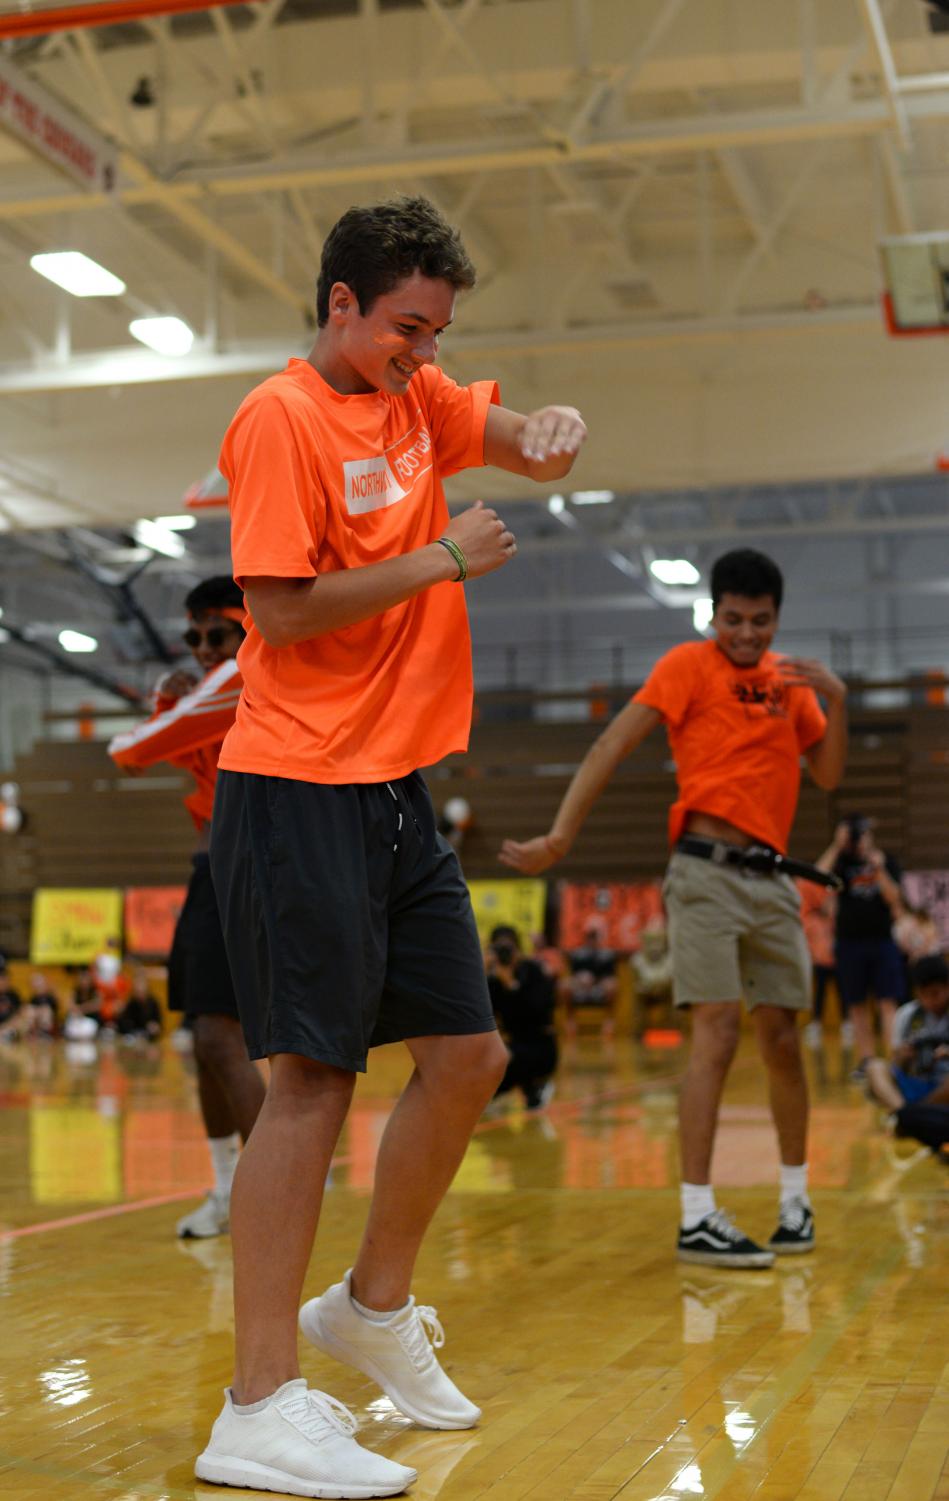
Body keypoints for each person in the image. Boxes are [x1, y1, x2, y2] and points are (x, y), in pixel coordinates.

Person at [197, 194, 586, 1498]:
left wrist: (546, 430)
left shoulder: (414, 394)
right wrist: (440, 561)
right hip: (298, 783)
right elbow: (283, 613)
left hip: (398, 789)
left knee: (470, 1056)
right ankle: (256, 1403)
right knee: (309, 1083)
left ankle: (370, 1305)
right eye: (407, 327)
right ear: (341, 306)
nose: (425, 353)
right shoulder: (279, 419)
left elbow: (512, 439)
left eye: (441, 332)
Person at [500, 548, 847, 1268]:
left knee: (781, 1037)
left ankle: (794, 1200)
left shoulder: (793, 684)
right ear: (712, 613)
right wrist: (560, 835)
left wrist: (837, 701)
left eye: (759, 621)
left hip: (774, 879)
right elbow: (610, 742)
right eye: (732, 619)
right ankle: (696, 1212)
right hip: (704, 872)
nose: (745, 633)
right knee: (716, 1030)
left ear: (776, 618)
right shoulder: (686, 665)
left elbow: (829, 773)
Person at [108, 575, 266, 1239]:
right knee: (205, 1041)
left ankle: (270, 1192)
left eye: (217, 635)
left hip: (249, 871)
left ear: (246, 631)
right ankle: (233, 1190)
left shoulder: (245, 678)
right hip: (215, 870)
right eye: (194, 637)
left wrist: (156, 711)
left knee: (218, 1038)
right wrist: (168, 703)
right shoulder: (214, 689)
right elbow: (170, 749)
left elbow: (134, 754)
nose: (204, 648)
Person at [816, 815, 903, 1073]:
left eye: (863, 835)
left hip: (882, 942)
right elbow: (819, 877)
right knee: (856, 1005)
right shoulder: (842, 864)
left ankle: (894, 1060)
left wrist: (879, 869)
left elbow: (894, 897)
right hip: (849, 944)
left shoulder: (885, 861)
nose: (860, 840)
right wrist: (836, 846)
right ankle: (867, 1062)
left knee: (888, 1002)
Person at [485, 924, 558, 1110]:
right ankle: (532, 1088)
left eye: (508, 949)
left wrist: (511, 984)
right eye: (499, 949)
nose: (505, 955)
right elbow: (480, 1017)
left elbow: (538, 1011)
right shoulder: (491, 980)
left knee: (504, 1059)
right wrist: (482, 974)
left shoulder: (533, 971)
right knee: (482, 1090)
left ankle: (534, 1085)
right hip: (511, 1045)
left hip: (540, 1045)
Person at [865, 955, 949, 1113]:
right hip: (915, 1082)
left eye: (935, 993)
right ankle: (904, 1112)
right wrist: (903, 1056)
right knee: (874, 1067)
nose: (931, 1000)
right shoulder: (907, 1014)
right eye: (924, 995)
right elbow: (895, 1064)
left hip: (943, 1085)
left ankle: (912, 1115)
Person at [797, 879, 844, 1050]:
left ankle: (847, 1025)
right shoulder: (811, 921)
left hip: (838, 963)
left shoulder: (836, 922)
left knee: (843, 995)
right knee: (819, 997)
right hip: (820, 964)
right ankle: (815, 1025)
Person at [561, 923, 619, 1036]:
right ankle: (570, 1019)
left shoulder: (606, 955)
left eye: (595, 938)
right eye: (590, 938)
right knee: (565, 985)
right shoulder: (578, 955)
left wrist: (596, 980)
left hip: (599, 986)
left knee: (612, 985)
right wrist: (580, 979)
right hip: (580, 986)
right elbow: (573, 974)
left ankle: (609, 1020)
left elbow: (611, 975)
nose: (592, 941)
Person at [117, 969, 163, 1041]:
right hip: (133, 1036)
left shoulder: (153, 1002)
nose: (139, 993)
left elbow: (159, 1024)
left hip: (148, 1037)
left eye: (141, 991)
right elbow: (124, 1024)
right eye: (137, 991)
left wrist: (155, 1026)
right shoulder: (131, 1002)